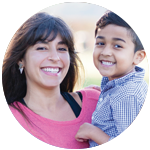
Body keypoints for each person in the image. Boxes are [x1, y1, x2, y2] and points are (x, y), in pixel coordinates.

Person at [2, 12, 101, 149]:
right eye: (42, 48)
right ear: (21, 59)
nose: (55, 57)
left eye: (61, 49)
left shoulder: (97, 103)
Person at [75, 11, 148, 148]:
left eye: (117, 46)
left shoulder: (127, 95)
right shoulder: (123, 85)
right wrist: (105, 92)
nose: (105, 52)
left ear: (138, 56)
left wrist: (93, 132)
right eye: (101, 43)